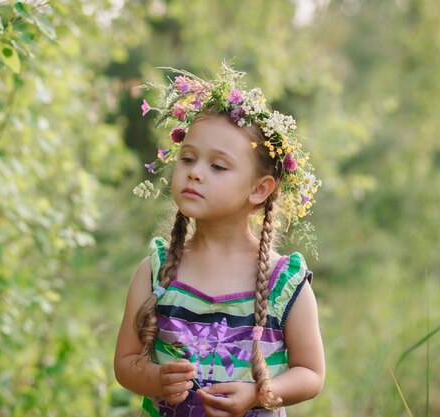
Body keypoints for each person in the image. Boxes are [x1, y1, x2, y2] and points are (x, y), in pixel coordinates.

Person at [114, 64, 325, 417]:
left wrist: (259, 393)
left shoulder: (283, 283)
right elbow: (125, 362)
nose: (195, 172)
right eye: (189, 159)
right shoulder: (155, 271)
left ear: (259, 189)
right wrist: (157, 380)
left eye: (218, 166)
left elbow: (311, 373)